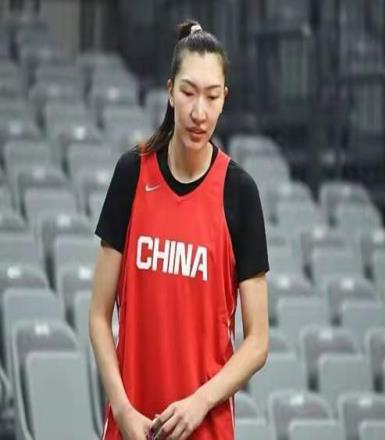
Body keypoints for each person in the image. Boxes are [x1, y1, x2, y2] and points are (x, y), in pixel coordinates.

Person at [89, 19, 269, 440]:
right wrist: (123, 410)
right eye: (188, 92)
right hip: (131, 426)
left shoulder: (239, 192)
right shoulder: (132, 174)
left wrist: (200, 402)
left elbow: (258, 341)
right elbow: (98, 315)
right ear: (170, 91)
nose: (198, 112)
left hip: (206, 428)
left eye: (211, 96)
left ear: (224, 100)